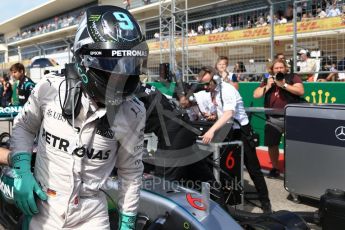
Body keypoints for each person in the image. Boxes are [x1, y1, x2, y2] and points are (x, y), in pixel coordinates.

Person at [0, 5, 148, 229]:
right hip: (42, 205)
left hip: (91, 213)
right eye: (111, 66)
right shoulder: (49, 88)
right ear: (84, 61)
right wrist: (21, 170)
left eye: (128, 66)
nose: (121, 76)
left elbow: (131, 172)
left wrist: (127, 222)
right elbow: (23, 126)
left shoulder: (134, 112)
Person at [198, 67, 272, 213]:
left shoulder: (227, 90)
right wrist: (213, 117)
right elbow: (221, 114)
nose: (205, 87)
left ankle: (265, 202)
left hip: (242, 131)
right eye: (203, 85)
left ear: (216, 80)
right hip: (228, 130)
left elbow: (228, 114)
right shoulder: (215, 91)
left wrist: (212, 130)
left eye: (207, 84)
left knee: (253, 168)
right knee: (225, 167)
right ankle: (230, 198)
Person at [253, 59, 304, 178]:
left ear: (285, 68)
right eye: (276, 68)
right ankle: (275, 168)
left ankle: (292, 168)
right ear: (272, 70)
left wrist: (284, 85)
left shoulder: (292, 77)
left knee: (292, 144)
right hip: (272, 119)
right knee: (272, 145)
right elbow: (256, 95)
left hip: (291, 118)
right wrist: (267, 86)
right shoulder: (268, 79)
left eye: (281, 67)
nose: (279, 70)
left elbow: (300, 91)